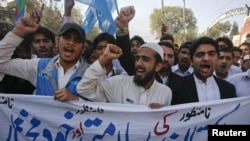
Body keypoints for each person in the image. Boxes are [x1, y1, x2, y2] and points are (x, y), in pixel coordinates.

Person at [0, 12, 89, 102]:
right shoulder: (39, 66)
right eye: (66, 37)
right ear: (57, 42)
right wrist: (18, 32)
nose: (71, 42)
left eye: (77, 40)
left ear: (83, 48)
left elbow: (101, 107)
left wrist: (77, 101)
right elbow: (1, 64)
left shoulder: (93, 75)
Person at [77, 43, 172, 109]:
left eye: (145, 59)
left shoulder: (165, 93)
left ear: (158, 66)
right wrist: (104, 58)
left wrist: (162, 113)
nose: (139, 63)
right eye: (137, 58)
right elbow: (84, 89)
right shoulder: (119, 83)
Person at [169, 36, 236, 105]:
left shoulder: (229, 89)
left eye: (211, 54)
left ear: (217, 59)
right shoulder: (175, 87)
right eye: (200, 55)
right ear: (191, 61)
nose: (206, 58)